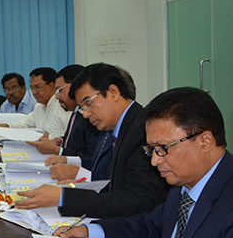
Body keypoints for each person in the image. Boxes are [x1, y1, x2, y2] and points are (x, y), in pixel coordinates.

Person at [55, 87, 232, 238]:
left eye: (163, 149)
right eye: (151, 150)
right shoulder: (184, 184)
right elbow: (151, 227)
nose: (155, 160)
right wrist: (91, 231)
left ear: (205, 141)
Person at [16, 63, 169, 218]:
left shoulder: (143, 130)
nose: (86, 114)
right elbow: (113, 184)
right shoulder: (116, 127)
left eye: (88, 103)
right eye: (82, 107)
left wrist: (64, 197)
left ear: (113, 92)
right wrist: (78, 187)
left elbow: (139, 200)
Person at [26, 65, 101, 181]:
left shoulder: (90, 117)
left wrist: (58, 151)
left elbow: (92, 158)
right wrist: (59, 142)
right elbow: (75, 146)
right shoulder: (76, 112)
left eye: (60, 90)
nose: (56, 97)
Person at [0, 68, 70, 138]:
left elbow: (68, 136)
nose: (34, 92)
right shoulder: (39, 106)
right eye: (32, 88)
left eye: (38, 87)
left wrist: (47, 137)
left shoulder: (63, 106)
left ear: (52, 86)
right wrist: (6, 126)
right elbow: (24, 124)